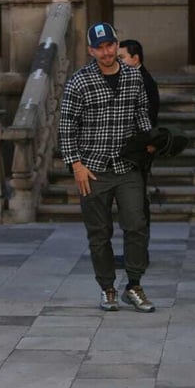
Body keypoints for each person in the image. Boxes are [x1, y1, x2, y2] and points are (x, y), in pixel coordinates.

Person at [58, 22, 155, 313]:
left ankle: (134, 286)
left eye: (110, 45)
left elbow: (142, 114)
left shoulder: (133, 78)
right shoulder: (79, 81)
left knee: (137, 226)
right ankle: (107, 289)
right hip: (93, 170)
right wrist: (75, 165)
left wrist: (150, 140)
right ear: (91, 50)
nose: (106, 52)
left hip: (127, 167)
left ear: (116, 45)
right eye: (99, 47)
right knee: (99, 233)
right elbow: (66, 128)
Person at [116, 39, 160, 269]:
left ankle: (138, 255)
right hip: (133, 152)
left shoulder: (143, 82)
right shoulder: (134, 79)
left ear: (136, 58)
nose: (118, 62)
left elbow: (146, 122)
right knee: (132, 204)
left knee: (136, 205)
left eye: (121, 57)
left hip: (137, 153)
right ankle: (135, 254)